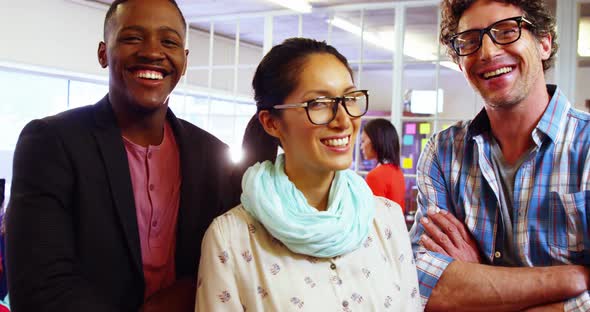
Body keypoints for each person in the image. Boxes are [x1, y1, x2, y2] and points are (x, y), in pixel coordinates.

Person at [5, 0, 239, 311]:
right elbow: (40, 289)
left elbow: (228, 269)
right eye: (132, 38)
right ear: (103, 53)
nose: (153, 52)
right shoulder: (52, 142)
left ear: (184, 60)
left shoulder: (215, 158)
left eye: (168, 41)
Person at [195, 38, 422, 311]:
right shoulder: (231, 238)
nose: (343, 120)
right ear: (271, 122)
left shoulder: (386, 219)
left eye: (349, 99)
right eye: (319, 103)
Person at [409, 0, 590, 311]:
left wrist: (476, 278)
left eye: (507, 31)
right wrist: (574, 278)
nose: (488, 52)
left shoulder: (585, 148)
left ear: (544, 43)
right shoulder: (442, 152)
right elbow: (421, 282)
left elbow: (453, 293)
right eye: (470, 41)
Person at [360, 118, 406, 212]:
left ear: (376, 141)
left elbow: (373, 216)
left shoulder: (375, 176)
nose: (361, 147)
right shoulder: (397, 171)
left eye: (363, 141)